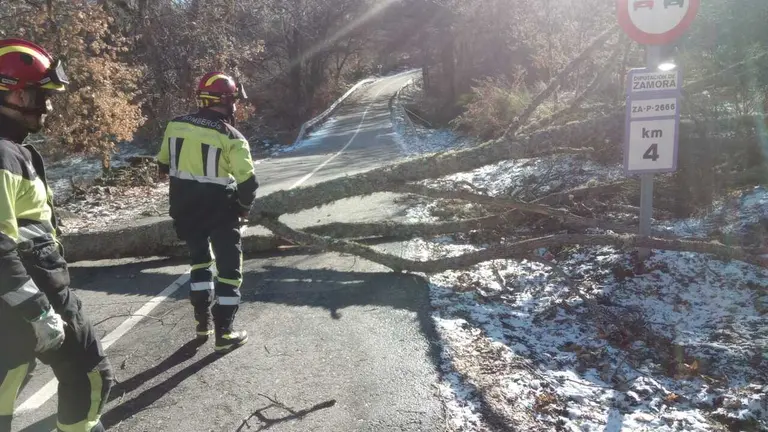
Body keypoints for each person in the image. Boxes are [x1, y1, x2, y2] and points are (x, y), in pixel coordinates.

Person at [0, 38, 114, 432]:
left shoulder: (14, 148)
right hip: (31, 294)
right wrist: (38, 310)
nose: (47, 106)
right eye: (38, 95)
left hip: (21, 295)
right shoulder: (3, 154)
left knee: (7, 382)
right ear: (9, 91)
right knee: (91, 375)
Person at [156, 71, 258, 354]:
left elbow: (163, 165)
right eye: (234, 100)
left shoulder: (175, 125)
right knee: (229, 272)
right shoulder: (232, 137)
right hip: (220, 211)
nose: (235, 106)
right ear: (225, 101)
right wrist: (242, 209)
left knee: (200, 263)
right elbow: (248, 183)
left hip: (184, 209)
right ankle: (224, 333)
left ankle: (203, 324)